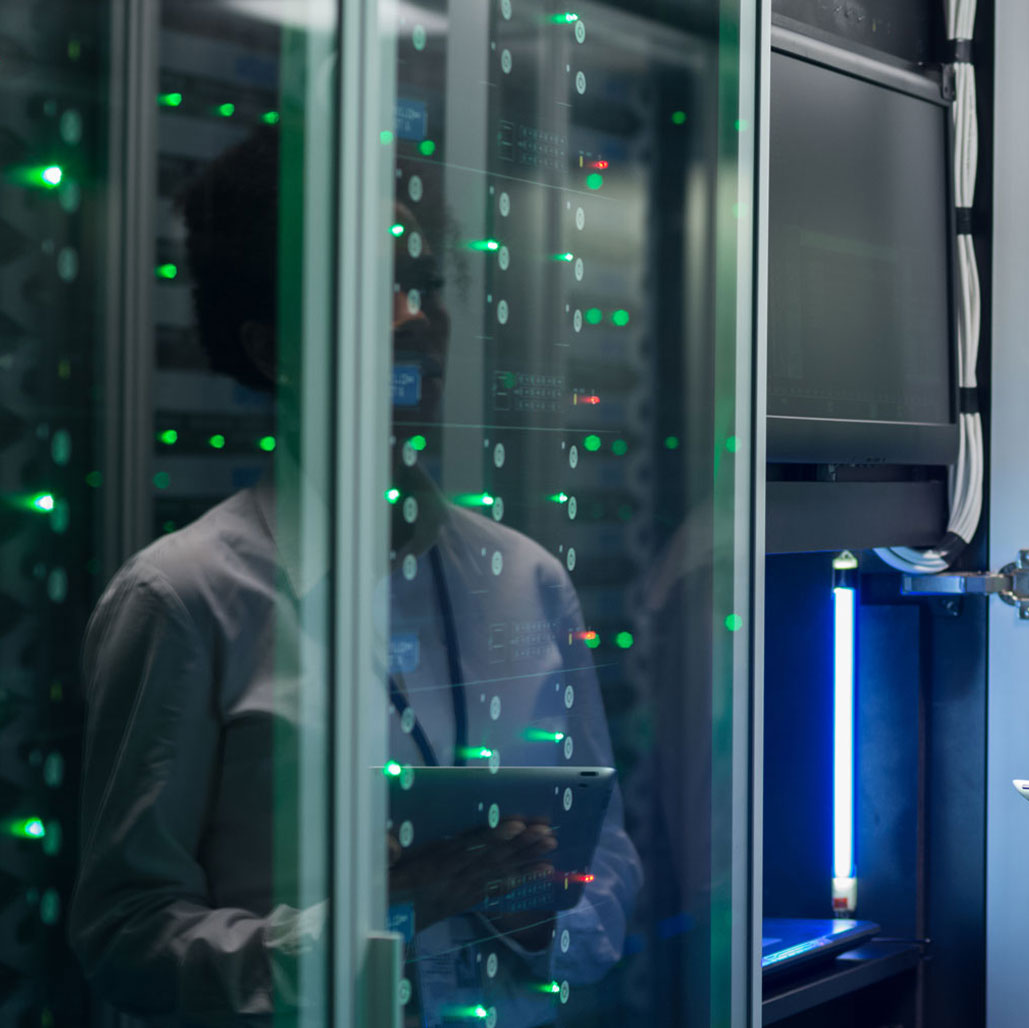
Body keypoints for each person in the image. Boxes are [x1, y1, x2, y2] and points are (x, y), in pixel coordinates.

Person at [71, 126, 637, 1027]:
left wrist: (524, 903)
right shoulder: (183, 598)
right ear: (272, 348)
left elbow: (605, 867)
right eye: (375, 290)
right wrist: (387, 915)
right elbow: (126, 941)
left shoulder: (526, 578)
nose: (418, 317)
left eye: (426, 284)